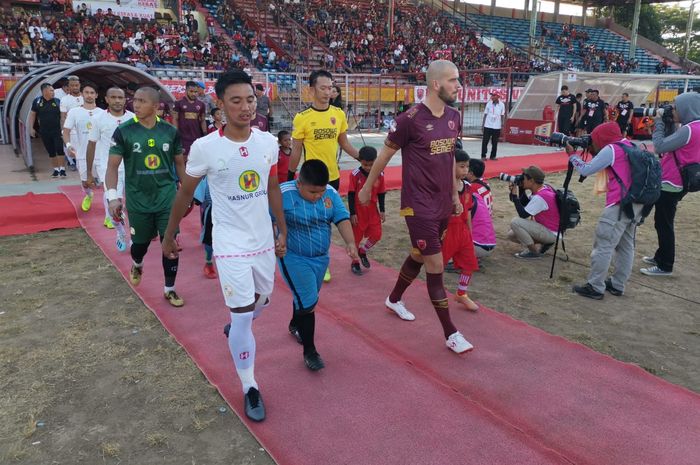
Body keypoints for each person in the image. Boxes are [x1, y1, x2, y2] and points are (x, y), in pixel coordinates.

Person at [161, 70, 287, 422]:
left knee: (263, 301)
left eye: (250, 99)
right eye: (236, 101)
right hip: (229, 243)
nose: (246, 107)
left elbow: (273, 187)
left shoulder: (267, 142)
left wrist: (282, 229)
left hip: (262, 240)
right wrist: (170, 234)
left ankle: (238, 325)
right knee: (244, 312)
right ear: (220, 104)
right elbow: (186, 192)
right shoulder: (205, 148)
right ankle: (249, 386)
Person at [358, 60, 474, 354]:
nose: (458, 85)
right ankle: (451, 333)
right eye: (453, 80)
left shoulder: (453, 116)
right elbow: (384, 155)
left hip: (442, 203)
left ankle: (394, 299)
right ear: (436, 84)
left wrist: (454, 196)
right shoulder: (409, 119)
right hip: (417, 205)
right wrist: (367, 186)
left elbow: (448, 158)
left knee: (419, 255)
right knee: (435, 264)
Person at [105, 86, 186, 308]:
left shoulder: (170, 132)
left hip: (166, 199)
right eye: (135, 101)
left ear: (155, 106)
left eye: (141, 101)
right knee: (139, 245)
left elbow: (180, 164)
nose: (135, 105)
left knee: (170, 244)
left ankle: (169, 289)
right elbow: (112, 167)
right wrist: (112, 197)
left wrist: (187, 194)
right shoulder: (124, 131)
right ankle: (137, 263)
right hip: (138, 199)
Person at [279, 159, 357, 371]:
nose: (318, 196)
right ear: (299, 183)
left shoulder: (329, 193)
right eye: (313, 192)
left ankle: (295, 324)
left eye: (320, 191)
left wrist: (350, 242)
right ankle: (310, 351)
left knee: (307, 298)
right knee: (309, 302)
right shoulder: (282, 194)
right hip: (294, 257)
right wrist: (277, 239)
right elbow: (264, 220)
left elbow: (341, 218)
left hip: (321, 258)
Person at [288, 69, 360, 282]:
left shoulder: (338, 115)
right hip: (310, 179)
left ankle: (323, 261)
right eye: (323, 88)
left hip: (333, 178)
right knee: (311, 220)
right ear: (311, 90)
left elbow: (344, 143)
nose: (328, 92)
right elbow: (296, 150)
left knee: (325, 222)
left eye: (330, 87)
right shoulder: (302, 118)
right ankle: (308, 259)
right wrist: (290, 176)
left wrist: (362, 157)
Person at [567, 122, 642, 299]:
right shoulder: (630, 145)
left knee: (604, 245)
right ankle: (617, 284)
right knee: (626, 245)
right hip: (637, 203)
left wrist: (572, 155)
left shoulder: (612, 149)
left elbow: (587, 169)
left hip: (619, 203)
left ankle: (595, 286)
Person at [641, 92, 700, 276]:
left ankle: (665, 265)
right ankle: (661, 256)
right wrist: (670, 123)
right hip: (679, 180)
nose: (672, 110)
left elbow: (659, 146)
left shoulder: (689, 129)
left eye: (675, 107)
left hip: (671, 182)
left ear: (686, 108)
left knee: (664, 223)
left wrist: (659, 122)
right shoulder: (694, 127)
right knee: (662, 221)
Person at [86, 87, 134, 228]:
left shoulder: (133, 118)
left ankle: (135, 231)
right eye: (113, 97)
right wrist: (89, 172)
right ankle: (118, 227)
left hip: (131, 166)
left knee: (133, 200)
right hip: (108, 167)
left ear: (125, 100)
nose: (117, 101)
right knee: (115, 200)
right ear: (106, 99)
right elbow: (91, 145)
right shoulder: (97, 119)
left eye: (120, 97)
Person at [442, 149, 479, 311]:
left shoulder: (468, 187)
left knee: (469, 263)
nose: (465, 171)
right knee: (438, 264)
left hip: (462, 231)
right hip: (447, 231)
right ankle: (434, 290)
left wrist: (469, 231)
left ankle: (461, 293)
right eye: (461, 166)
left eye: (467, 167)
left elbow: (468, 211)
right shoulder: (443, 186)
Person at [62, 83, 103, 212]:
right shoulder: (75, 112)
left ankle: (110, 215)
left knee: (107, 184)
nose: (89, 95)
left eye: (92, 93)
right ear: (82, 94)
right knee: (86, 182)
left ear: (96, 95)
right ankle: (89, 196)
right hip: (82, 154)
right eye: (86, 92)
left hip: (101, 155)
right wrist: (69, 146)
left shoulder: (103, 113)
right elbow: (66, 132)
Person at [346, 146, 386, 276]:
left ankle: (363, 251)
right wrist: (352, 213)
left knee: (377, 234)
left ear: (376, 161)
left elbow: (381, 193)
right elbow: (351, 194)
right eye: (365, 164)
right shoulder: (354, 175)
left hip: (372, 210)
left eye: (371, 164)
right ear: (360, 161)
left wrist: (382, 210)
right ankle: (355, 262)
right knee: (355, 239)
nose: (368, 167)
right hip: (359, 211)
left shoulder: (379, 174)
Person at [507, 166, 560, 258]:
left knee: (515, 222)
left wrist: (515, 196)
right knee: (512, 235)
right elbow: (526, 204)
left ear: (531, 181)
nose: (522, 179)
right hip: (551, 230)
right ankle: (545, 243)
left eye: (524, 178)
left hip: (551, 233)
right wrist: (521, 188)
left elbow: (523, 214)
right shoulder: (544, 188)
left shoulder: (540, 197)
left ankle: (533, 252)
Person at [28, 83, 65, 177]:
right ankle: (56, 170)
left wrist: (64, 129)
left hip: (57, 130)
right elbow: (32, 114)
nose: (53, 92)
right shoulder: (37, 101)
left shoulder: (57, 101)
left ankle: (62, 169)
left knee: (59, 149)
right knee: (51, 151)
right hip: (44, 131)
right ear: (45, 91)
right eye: (51, 90)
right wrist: (31, 127)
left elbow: (63, 116)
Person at [172, 80, 207, 160]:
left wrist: (205, 134)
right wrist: (175, 133)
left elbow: (202, 120)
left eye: (195, 92)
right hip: (183, 137)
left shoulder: (201, 104)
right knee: (184, 159)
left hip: (196, 137)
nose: (194, 94)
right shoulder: (178, 103)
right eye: (191, 91)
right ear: (186, 91)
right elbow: (175, 119)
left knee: (196, 159)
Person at [60, 75, 83, 169]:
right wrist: (64, 131)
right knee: (78, 154)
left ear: (79, 85)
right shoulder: (65, 99)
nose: (75, 87)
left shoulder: (86, 96)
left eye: (76, 85)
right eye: (72, 85)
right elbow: (63, 117)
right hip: (73, 131)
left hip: (87, 129)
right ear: (68, 87)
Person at [481, 91, 505, 160]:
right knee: (485, 141)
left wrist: (502, 126)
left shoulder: (502, 105)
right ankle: (483, 156)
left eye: (494, 95)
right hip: (488, 125)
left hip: (497, 126)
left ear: (498, 96)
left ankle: (493, 156)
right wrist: (483, 125)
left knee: (495, 142)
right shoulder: (489, 104)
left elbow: (502, 116)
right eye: (492, 95)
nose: (492, 97)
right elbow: (485, 114)